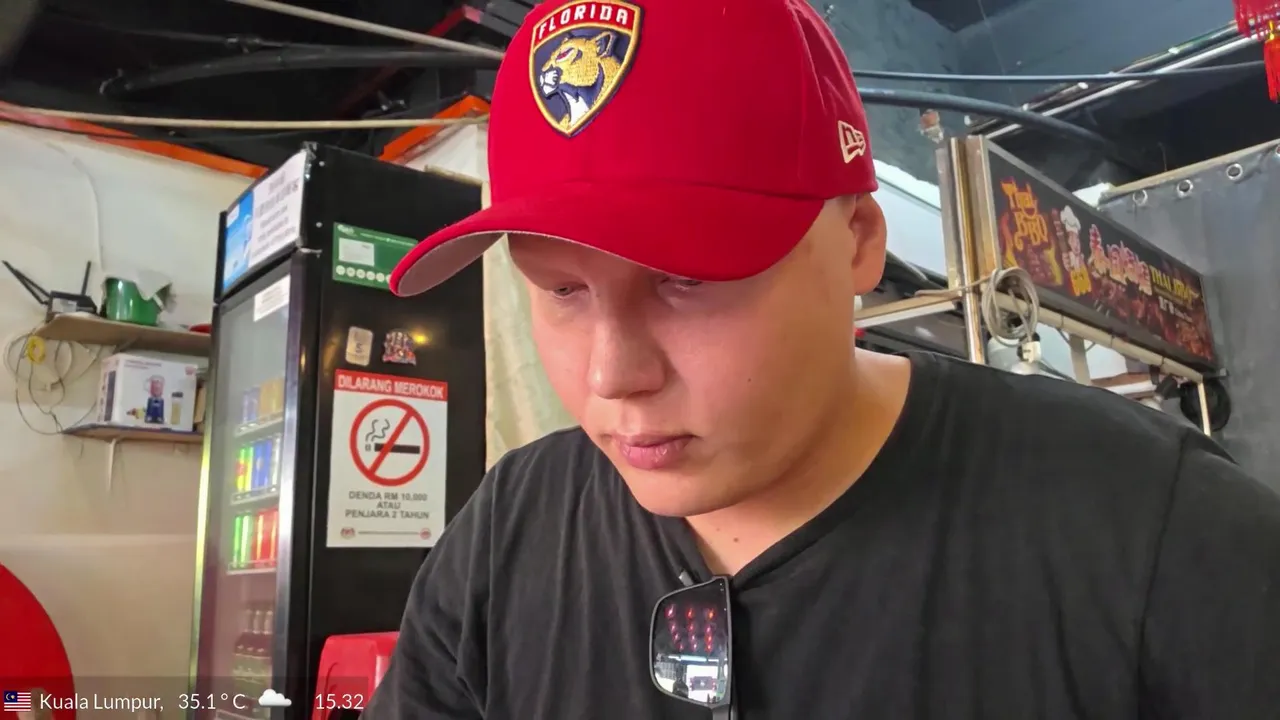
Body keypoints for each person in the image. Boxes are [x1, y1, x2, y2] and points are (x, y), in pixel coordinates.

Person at [366, 0, 1280, 717]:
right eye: (563, 291)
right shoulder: (509, 533)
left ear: (858, 242)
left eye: (686, 278)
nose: (612, 376)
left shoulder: (1148, 528)